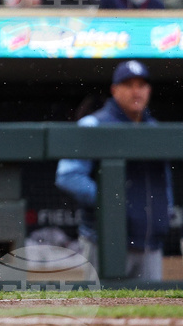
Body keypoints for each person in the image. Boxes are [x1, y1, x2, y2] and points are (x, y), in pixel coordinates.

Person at [55, 61, 173, 280]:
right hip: (105, 241)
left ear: (149, 90)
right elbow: (68, 175)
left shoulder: (154, 128)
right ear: (114, 89)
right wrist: (114, 203)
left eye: (141, 85)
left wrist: (165, 211)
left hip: (150, 245)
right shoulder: (93, 124)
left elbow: (163, 179)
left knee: (150, 303)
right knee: (103, 301)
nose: (136, 91)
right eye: (128, 85)